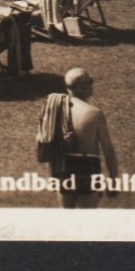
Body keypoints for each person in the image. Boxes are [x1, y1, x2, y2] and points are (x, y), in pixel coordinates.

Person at [49, 67, 119, 209]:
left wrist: (52, 174)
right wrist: (113, 179)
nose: (92, 85)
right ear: (83, 87)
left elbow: (49, 144)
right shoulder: (94, 114)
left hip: (62, 165)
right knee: (87, 219)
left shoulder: (57, 111)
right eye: (90, 82)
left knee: (66, 217)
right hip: (86, 165)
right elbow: (108, 149)